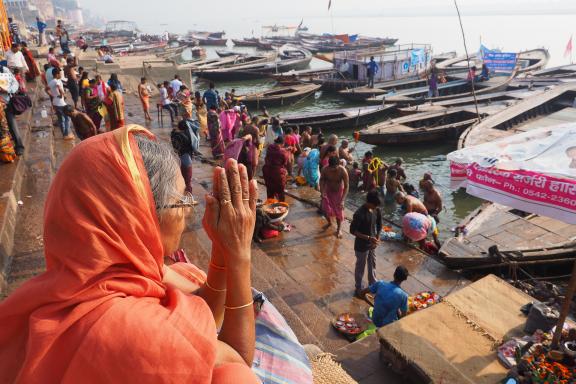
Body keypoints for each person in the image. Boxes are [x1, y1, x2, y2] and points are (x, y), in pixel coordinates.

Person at [0, 127, 261, 383]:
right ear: (137, 214)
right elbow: (238, 359)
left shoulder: (90, 272)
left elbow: (208, 309)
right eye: (181, 200)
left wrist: (221, 248)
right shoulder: (133, 329)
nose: (188, 210)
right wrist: (239, 253)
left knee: (186, 274)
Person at [350, 190, 382, 298]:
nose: (375, 208)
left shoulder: (376, 210)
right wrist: (368, 238)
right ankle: (358, 286)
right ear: (369, 202)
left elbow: (379, 225)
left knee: (372, 264)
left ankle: (373, 284)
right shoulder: (359, 214)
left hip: (372, 244)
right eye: (374, 205)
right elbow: (353, 230)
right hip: (361, 246)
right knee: (360, 267)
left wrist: (377, 237)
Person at [320, 156, 349, 238]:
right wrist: (322, 192)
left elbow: (347, 186)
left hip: (338, 192)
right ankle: (329, 223)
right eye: (331, 168)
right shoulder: (325, 169)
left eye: (335, 168)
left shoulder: (343, 171)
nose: (333, 170)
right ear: (329, 165)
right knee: (324, 209)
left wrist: (342, 200)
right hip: (328, 190)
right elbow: (322, 180)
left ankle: (339, 229)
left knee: (338, 212)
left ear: (338, 164)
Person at [171, 112, 200, 194]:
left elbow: (175, 146)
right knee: (187, 179)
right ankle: (188, 194)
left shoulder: (176, 134)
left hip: (182, 157)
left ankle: (186, 193)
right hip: (186, 158)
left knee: (185, 178)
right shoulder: (184, 136)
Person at [49, 68, 73, 140]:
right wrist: (63, 94)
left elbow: (46, 89)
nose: (60, 75)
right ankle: (66, 134)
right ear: (57, 74)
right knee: (68, 118)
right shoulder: (57, 81)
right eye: (60, 74)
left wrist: (52, 95)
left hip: (55, 102)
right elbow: (59, 87)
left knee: (60, 119)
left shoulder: (51, 81)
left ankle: (64, 134)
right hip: (61, 103)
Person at [262, 136, 289, 202]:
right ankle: (281, 207)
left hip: (267, 171)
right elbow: (285, 162)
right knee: (280, 191)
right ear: (282, 143)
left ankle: (270, 207)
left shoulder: (269, 148)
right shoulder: (283, 152)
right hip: (277, 173)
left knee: (270, 190)